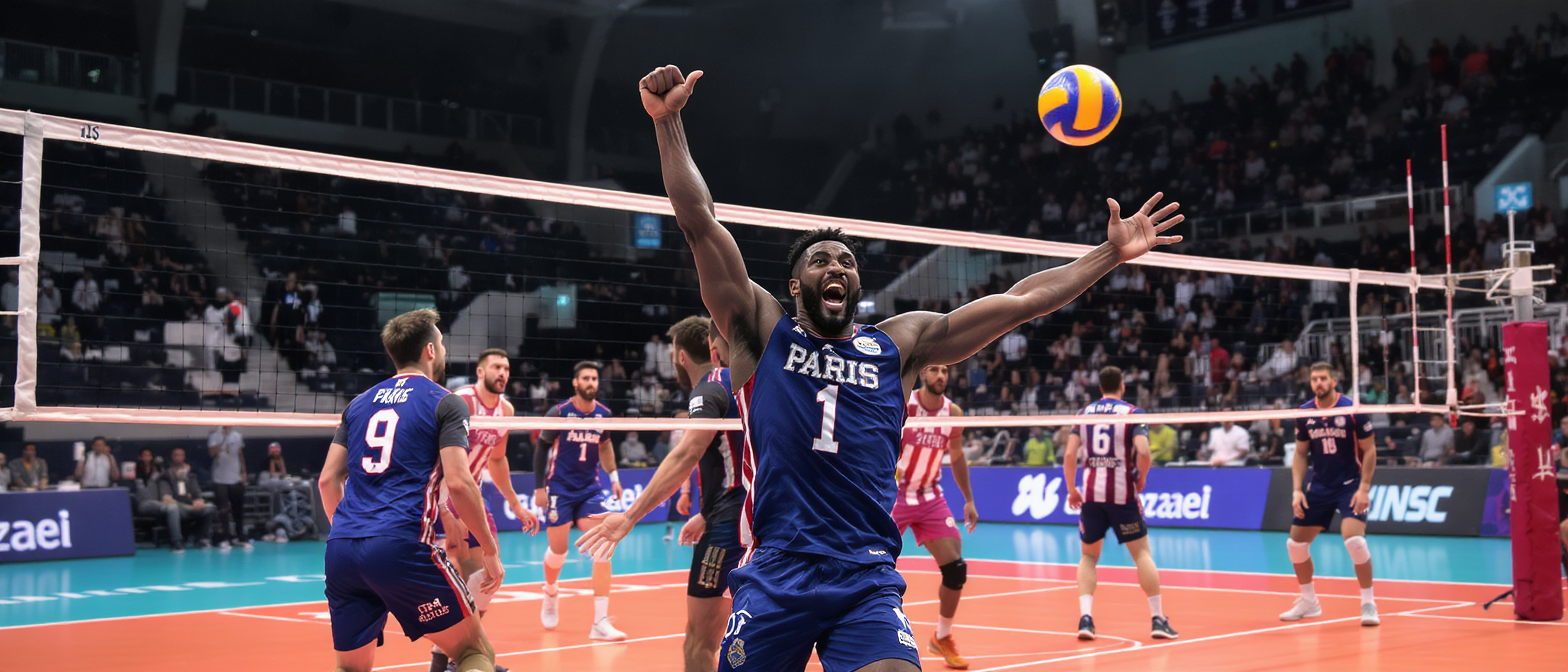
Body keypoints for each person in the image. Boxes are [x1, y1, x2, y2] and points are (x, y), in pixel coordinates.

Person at [630, 64, 1182, 672]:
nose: (835, 265)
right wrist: (669, 123)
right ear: (795, 283)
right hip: (778, 571)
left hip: (865, 575)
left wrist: (1108, 253)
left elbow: (1022, 301)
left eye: (845, 259)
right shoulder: (762, 332)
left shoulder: (900, 344)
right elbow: (699, 222)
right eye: (819, 260)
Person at [316, 308, 502, 672]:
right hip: (400, 544)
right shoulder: (446, 402)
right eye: (443, 344)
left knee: (350, 668)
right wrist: (491, 551)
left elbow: (327, 481)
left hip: (341, 551)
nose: (444, 351)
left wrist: (353, 532)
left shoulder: (357, 405)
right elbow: (460, 483)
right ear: (430, 351)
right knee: (474, 652)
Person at [578, 316, 748, 672]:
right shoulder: (751, 383)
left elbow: (687, 455)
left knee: (700, 641)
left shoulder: (711, 385)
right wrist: (707, 512)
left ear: (681, 356)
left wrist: (628, 518)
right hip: (765, 516)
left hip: (732, 524)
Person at [431, 348, 540, 672]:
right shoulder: (461, 401)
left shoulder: (505, 408)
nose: (503, 373)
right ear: (481, 372)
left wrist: (516, 503)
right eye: (496, 367)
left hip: (474, 494)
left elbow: (498, 459)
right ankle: (456, 658)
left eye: (507, 368)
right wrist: (443, 507)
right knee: (467, 577)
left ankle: (455, 656)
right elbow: (433, 450)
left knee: (488, 579)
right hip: (446, 491)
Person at [1063, 366, 1178, 641]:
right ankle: (1157, 619)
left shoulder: (1083, 413)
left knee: (1089, 557)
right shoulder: (1132, 413)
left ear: (1099, 387)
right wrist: (1141, 478)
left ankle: (1086, 619)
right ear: (1122, 386)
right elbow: (1144, 452)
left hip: (1091, 495)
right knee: (1141, 555)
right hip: (1122, 495)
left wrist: (1071, 490)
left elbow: (1069, 454)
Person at [891, 363, 981, 668]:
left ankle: (942, 637)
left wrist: (969, 500)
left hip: (930, 496)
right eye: (934, 370)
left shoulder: (953, 412)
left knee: (956, 569)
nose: (941, 376)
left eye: (945, 371)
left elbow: (956, 456)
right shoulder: (905, 403)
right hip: (894, 494)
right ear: (922, 374)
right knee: (869, 563)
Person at [1280, 362, 1379, 626]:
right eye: (1314, 379)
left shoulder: (1352, 409)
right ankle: (1309, 602)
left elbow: (1370, 451)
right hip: (1319, 487)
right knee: (1295, 545)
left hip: (1349, 485)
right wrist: (1297, 490)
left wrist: (1364, 488)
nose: (1318, 383)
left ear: (1334, 381)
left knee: (1355, 542)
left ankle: (1368, 603)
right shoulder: (1304, 412)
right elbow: (1301, 454)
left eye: (1323, 379)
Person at [532, 361, 625, 641]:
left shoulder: (603, 414)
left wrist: (615, 476)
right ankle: (550, 591)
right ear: (575, 383)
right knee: (558, 552)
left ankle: (600, 622)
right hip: (560, 488)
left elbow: (605, 446)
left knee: (604, 544)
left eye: (594, 378)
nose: (590, 382)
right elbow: (541, 448)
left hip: (590, 490)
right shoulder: (559, 412)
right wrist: (539, 487)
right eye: (585, 378)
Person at [155, 447, 217, 551]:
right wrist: (189, 505)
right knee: (172, 508)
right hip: (179, 506)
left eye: (181, 455)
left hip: (191, 505)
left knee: (210, 508)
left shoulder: (190, 475)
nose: (179, 458)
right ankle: (177, 541)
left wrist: (199, 501)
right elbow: (167, 499)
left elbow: (197, 493)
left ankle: (202, 539)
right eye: (176, 455)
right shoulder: (165, 476)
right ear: (172, 457)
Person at [208, 426, 252, 550]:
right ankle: (225, 538)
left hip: (235, 478)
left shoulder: (237, 435)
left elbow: (240, 454)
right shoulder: (214, 435)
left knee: (238, 509)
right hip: (220, 479)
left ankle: (240, 537)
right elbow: (211, 452)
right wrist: (223, 439)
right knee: (223, 510)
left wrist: (244, 471)